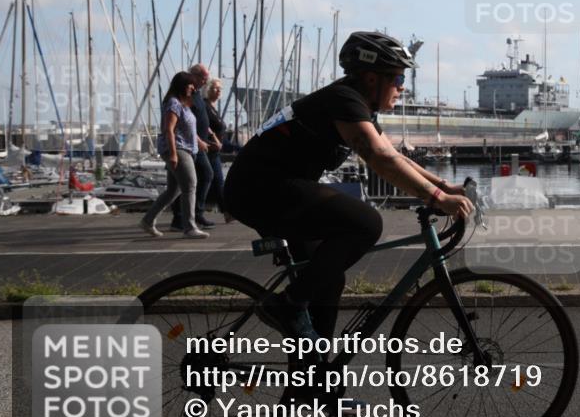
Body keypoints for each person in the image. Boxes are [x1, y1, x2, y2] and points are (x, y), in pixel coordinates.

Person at [224, 31, 473, 341]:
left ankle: (315, 379)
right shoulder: (343, 100)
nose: (402, 87)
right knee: (366, 223)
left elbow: (393, 155)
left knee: (327, 280)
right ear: (371, 78)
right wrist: (436, 198)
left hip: (274, 187)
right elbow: (379, 158)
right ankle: (285, 305)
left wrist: (443, 186)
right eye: (397, 78)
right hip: (260, 189)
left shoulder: (356, 105)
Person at [140, 72, 210, 239]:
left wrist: (199, 141)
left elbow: (188, 128)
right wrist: (172, 154)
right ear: (181, 85)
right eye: (190, 85)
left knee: (173, 191)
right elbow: (169, 130)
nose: (193, 88)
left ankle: (147, 221)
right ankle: (189, 227)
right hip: (178, 149)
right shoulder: (173, 103)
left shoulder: (182, 104)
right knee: (191, 185)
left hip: (186, 148)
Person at [171, 64, 215, 230]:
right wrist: (199, 140)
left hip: (197, 144)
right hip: (188, 144)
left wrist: (211, 135)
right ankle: (191, 216)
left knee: (178, 186)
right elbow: (182, 124)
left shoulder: (196, 94)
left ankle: (187, 217)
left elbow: (198, 118)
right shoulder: (183, 97)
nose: (205, 82)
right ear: (193, 76)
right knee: (204, 175)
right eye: (203, 78)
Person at [203, 77, 231, 222]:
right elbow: (201, 126)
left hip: (215, 152)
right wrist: (211, 140)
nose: (219, 90)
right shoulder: (205, 106)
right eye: (215, 88)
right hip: (208, 151)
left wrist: (236, 147)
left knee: (216, 181)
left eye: (220, 88)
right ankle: (227, 213)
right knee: (216, 181)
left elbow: (222, 137)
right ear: (207, 90)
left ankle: (226, 212)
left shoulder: (213, 108)